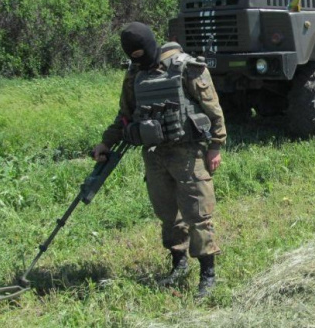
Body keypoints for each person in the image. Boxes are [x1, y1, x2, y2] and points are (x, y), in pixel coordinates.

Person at [92, 22, 227, 297]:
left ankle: (207, 274)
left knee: (198, 213)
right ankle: (178, 264)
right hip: (154, 155)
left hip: (188, 153)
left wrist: (216, 145)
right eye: (133, 57)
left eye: (142, 53)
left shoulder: (186, 67)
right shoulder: (134, 75)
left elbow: (214, 111)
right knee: (168, 214)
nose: (138, 61)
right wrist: (106, 141)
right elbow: (125, 115)